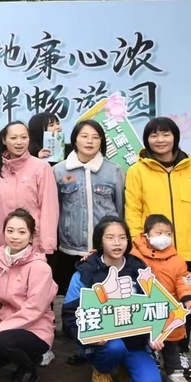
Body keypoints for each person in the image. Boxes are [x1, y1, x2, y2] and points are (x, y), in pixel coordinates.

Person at [124, 116, 191, 377]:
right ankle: (152, 349)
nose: (160, 140)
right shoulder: (137, 171)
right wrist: (137, 246)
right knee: (151, 301)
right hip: (151, 253)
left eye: (165, 134)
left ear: (175, 136)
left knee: (184, 303)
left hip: (187, 250)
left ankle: (180, 353)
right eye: (154, 135)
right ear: (147, 140)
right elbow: (133, 211)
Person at [62, 216, 165, 382]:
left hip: (134, 343)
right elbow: (70, 315)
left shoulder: (139, 269)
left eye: (122, 237)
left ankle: (126, 366)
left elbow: (154, 306)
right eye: (110, 238)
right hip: (104, 344)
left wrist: (155, 334)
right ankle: (101, 371)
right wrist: (89, 337)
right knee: (114, 347)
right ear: (99, 241)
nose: (117, 243)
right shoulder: (85, 273)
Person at [0, 209, 58, 382]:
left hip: (35, 329)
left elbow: (34, 309)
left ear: (31, 236)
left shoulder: (40, 268)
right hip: (5, 328)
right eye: (10, 231)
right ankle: (23, 357)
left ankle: (29, 370)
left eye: (22, 232)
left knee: (4, 341)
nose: (15, 236)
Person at [51, 120, 124, 294]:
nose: (90, 141)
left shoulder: (114, 170)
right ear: (75, 140)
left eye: (95, 137)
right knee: (73, 296)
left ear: (101, 141)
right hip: (70, 250)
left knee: (106, 296)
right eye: (84, 136)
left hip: (105, 249)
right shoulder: (59, 171)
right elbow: (56, 208)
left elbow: (119, 208)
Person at [131, 214, 191, 382]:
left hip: (168, 310)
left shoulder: (176, 259)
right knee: (145, 339)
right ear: (146, 235)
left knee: (171, 343)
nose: (164, 237)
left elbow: (185, 280)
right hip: (144, 309)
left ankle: (176, 372)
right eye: (159, 232)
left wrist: (190, 297)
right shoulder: (134, 255)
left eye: (168, 234)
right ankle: (150, 363)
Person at [0, 121, 59, 257]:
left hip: (34, 246)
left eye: (24, 137)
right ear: (4, 140)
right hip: (5, 246)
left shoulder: (41, 167)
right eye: (13, 138)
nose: (19, 142)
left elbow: (49, 208)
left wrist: (46, 245)